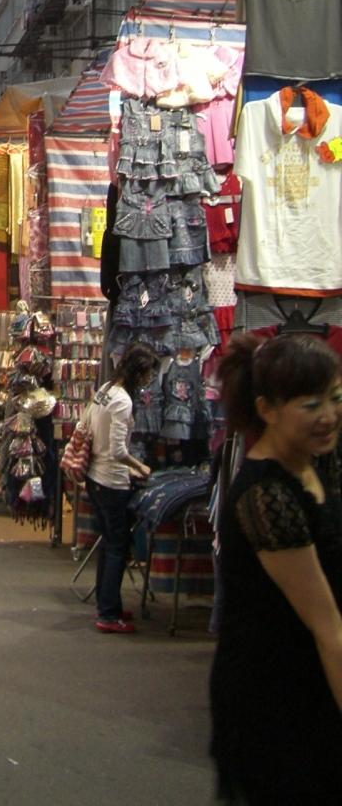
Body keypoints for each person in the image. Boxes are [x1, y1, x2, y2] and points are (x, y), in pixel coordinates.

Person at [209, 333, 342, 804]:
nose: (329, 415)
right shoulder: (266, 496)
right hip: (276, 697)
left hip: (308, 678)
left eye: (335, 398)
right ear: (267, 409)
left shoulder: (310, 464)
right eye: (310, 405)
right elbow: (327, 625)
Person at [84, 342, 158, 634]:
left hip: (95, 477)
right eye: (148, 374)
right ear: (139, 372)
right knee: (117, 546)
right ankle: (108, 613)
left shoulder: (105, 390)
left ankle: (107, 603)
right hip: (111, 480)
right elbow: (117, 450)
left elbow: (87, 424)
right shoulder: (123, 401)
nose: (149, 379)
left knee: (108, 543)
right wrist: (139, 466)